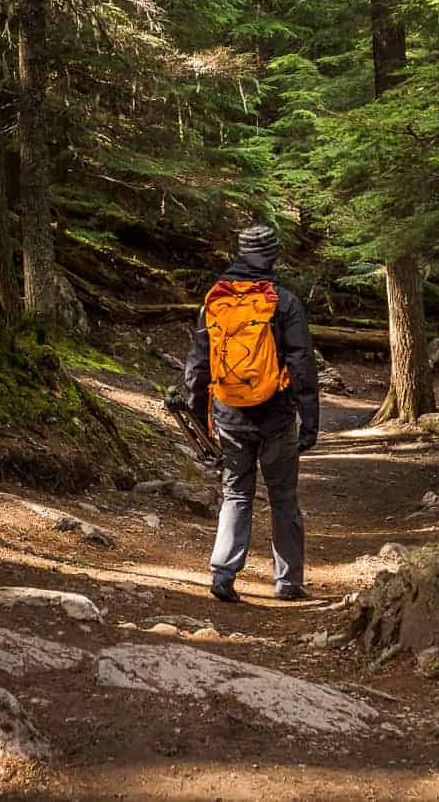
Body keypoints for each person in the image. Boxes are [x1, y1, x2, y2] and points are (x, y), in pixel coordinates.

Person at [185, 224, 319, 603]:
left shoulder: (216, 299)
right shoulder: (284, 302)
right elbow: (302, 365)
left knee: (236, 494)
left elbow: (198, 367)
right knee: (283, 498)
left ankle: (223, 573)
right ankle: (289, 582)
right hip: (276, 416)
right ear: (273, 255)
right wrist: (310, 421)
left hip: (229, 414)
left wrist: (199, 419)